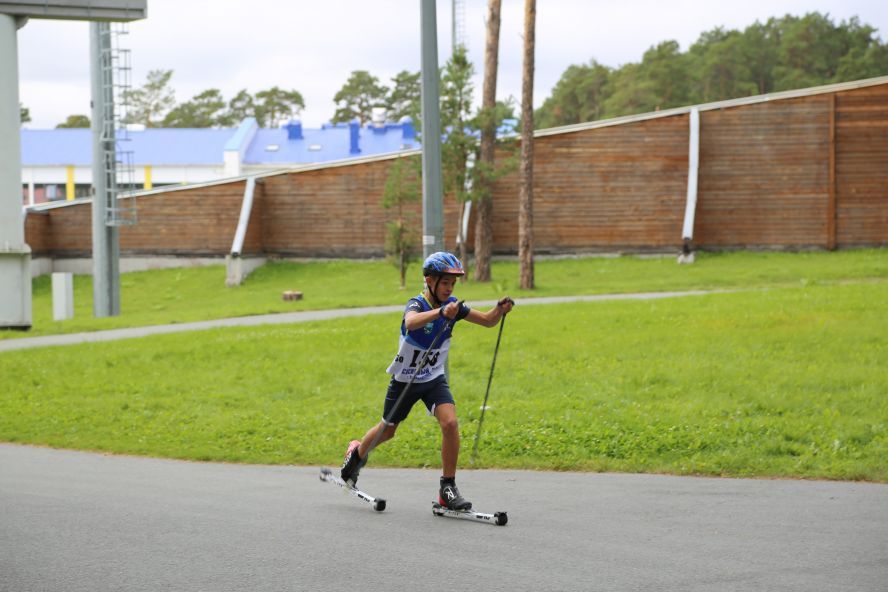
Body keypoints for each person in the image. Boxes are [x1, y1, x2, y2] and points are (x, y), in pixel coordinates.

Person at [340, 251, 514, 510]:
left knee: (450, 422)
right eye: (445, 283)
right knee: (387, 430)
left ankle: (448, 488)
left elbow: (488, 321)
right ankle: (356, 455)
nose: (449, 289)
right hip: (405, 380)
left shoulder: (454, 306)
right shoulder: (417, 304)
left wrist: (499, 310)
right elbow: (410, 323)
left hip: (432, 378)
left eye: (453, 284)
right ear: (430, 281)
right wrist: (441, 313)